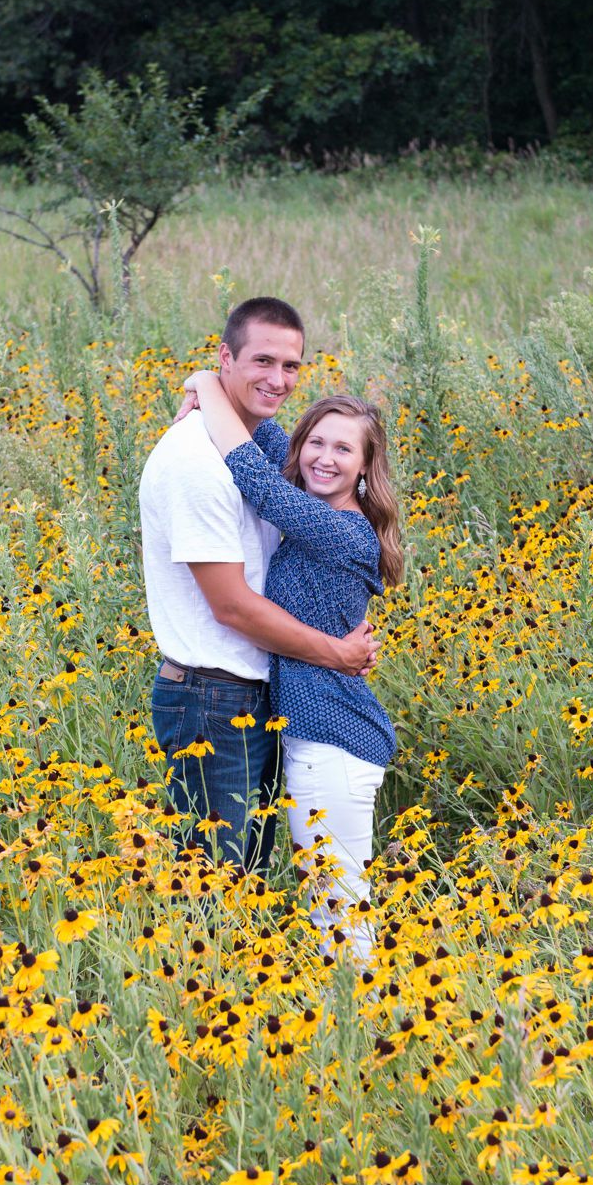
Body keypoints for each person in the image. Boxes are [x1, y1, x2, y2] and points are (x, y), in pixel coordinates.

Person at [138, 297, 377, 875]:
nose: (278, 380)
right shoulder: (198, 462)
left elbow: (266, 456)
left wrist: (208, 383)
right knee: (219, 883)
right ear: (226, 357)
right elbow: (234, 609)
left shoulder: (323, 512)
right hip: (212, 696)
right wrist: (338, 652)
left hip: (256, 698)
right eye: (262, 361)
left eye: (291, 366)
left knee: (240, 872)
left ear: (367, 466)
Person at [178, 369, 404, 963]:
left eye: (344, 449)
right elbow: (271, 439)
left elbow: (257, 480)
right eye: (318, 442)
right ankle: (349, 1029)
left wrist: (204, 378)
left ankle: (363, 1033)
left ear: (365, 467)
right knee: (329, 905)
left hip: (333, 742)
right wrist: (216, 384)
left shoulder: (341, 530)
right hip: (316, 738)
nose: (325, 459)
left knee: (340, 909)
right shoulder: (318, 497)